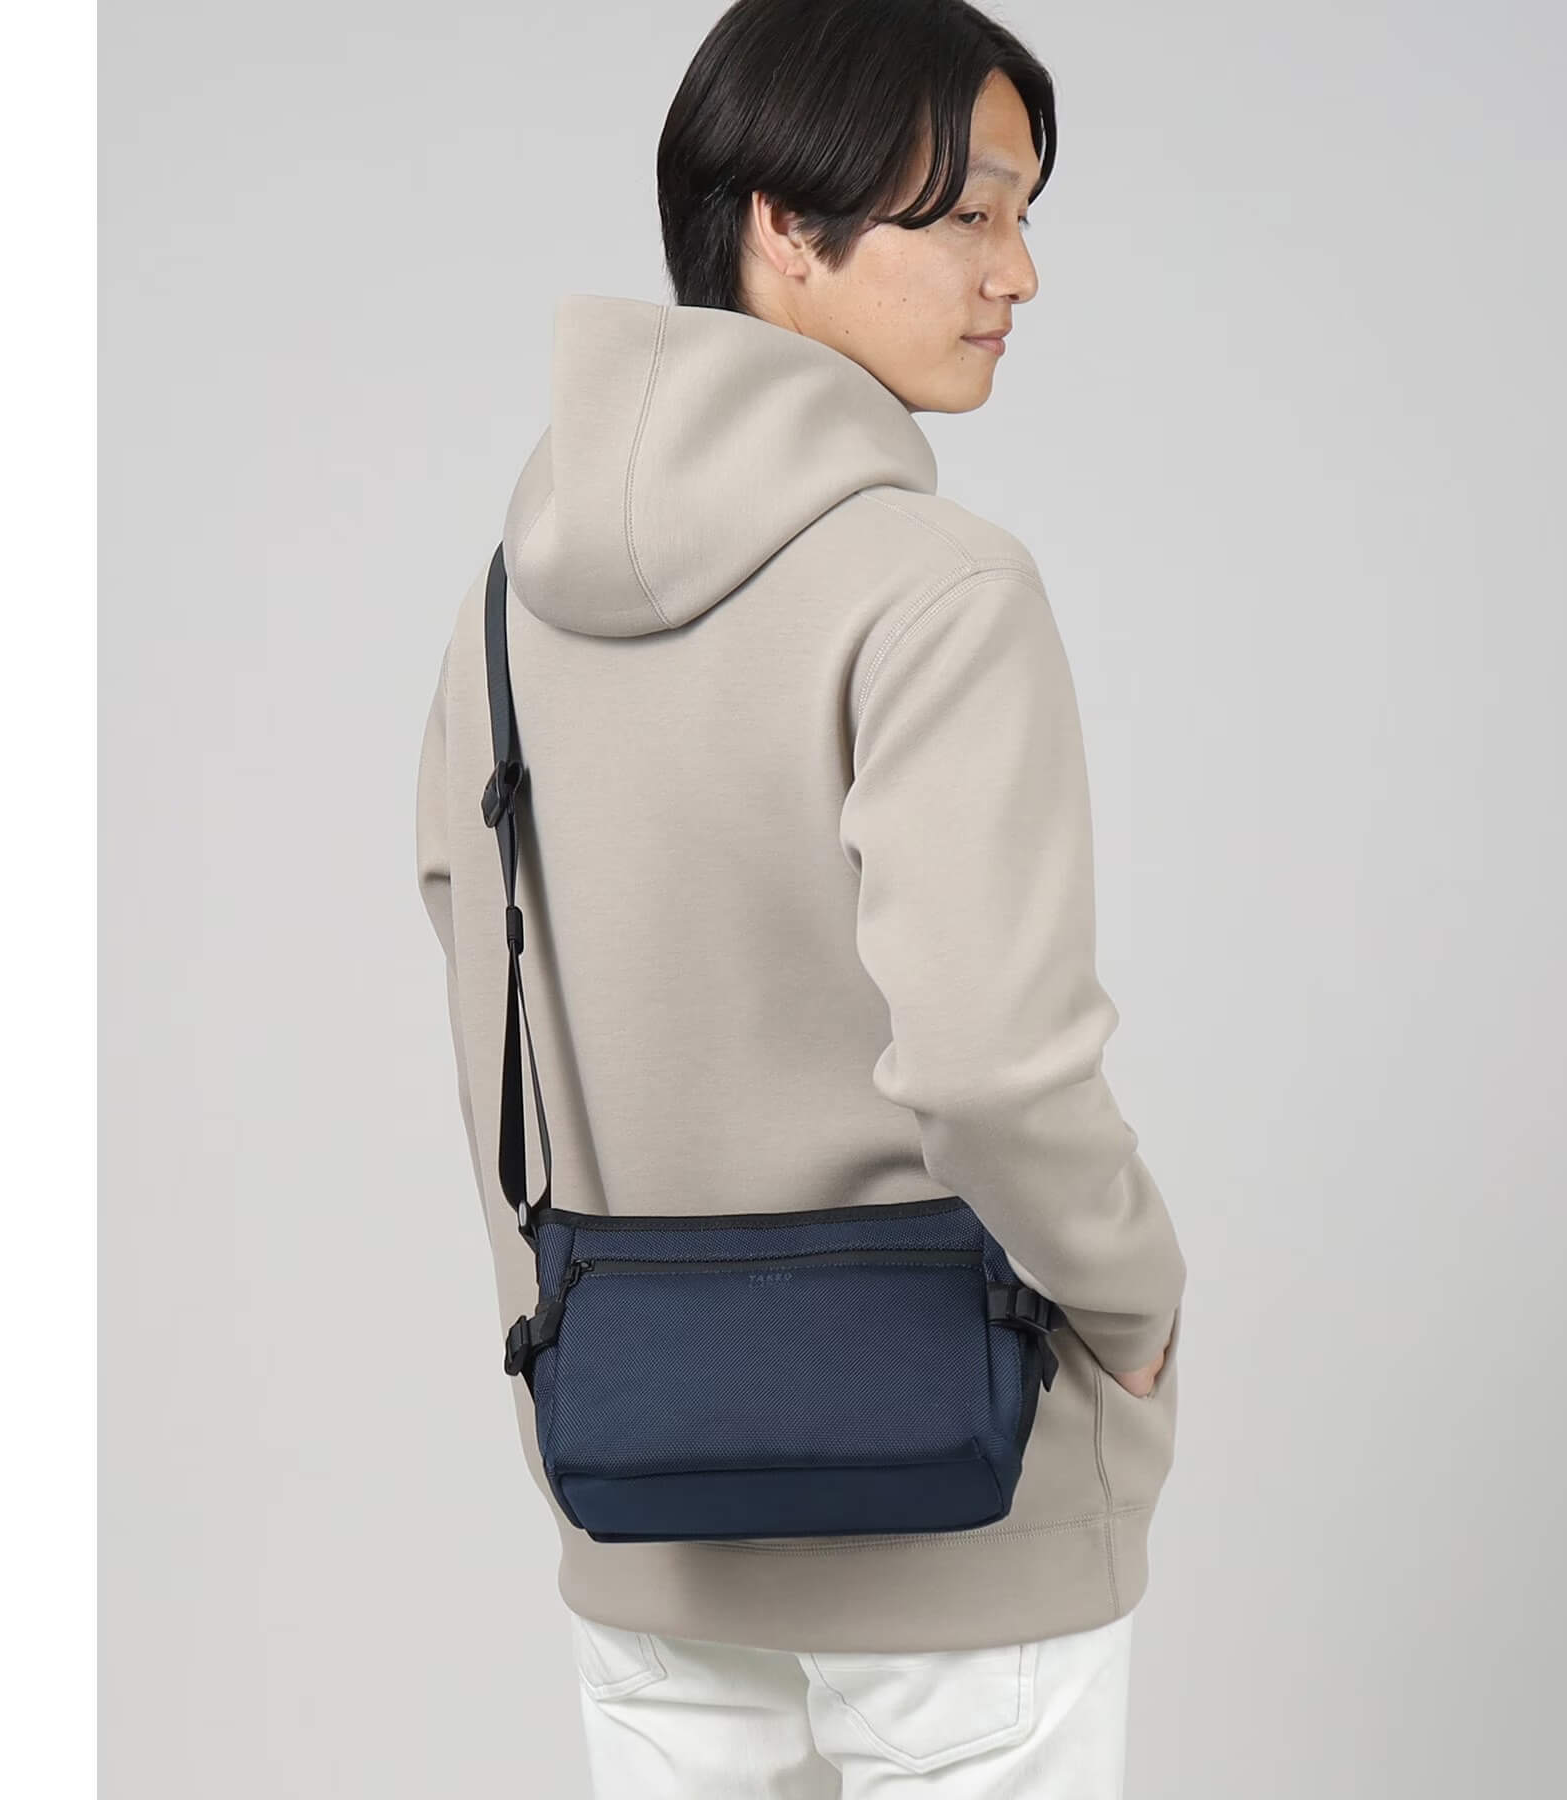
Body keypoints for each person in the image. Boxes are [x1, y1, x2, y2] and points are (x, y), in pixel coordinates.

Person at [413, 1, 1187, 1791]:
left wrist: (567, 1359)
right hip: (962, 1496)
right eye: (973, 213)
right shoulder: (938, 588)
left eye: (1025, 215)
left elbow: (490, 1039)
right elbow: (989, 1062)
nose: (1020, 271)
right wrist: (1132, 1298)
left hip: (639, 1478)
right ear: (784, 220)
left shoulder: (503, 607)